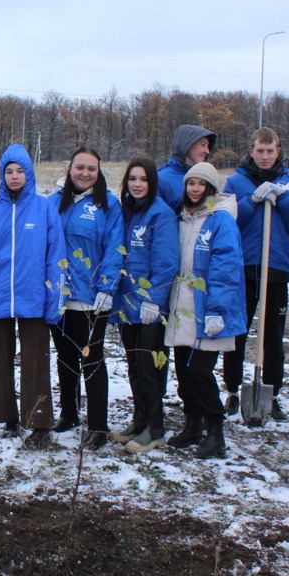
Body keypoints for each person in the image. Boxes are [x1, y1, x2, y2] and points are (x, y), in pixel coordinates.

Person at [0, 143, 66, 448]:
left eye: (19, 171)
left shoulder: (44, 208)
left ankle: (38, 422)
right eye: (8, 171)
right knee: (1, 360)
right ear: (1, 175)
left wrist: (56, 298)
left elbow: (56, 256)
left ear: (29, 173)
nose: (14, 176)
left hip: (33, 298)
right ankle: (8, 417)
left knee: (36, 362)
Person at [222, 127, 289, 421]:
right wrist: (252, 201)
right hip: (244, 268)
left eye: (269, 151)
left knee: (273, 336)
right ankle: (233, 391)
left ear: (278, 151)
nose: (264, 156)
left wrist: (282, 198)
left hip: (277, 269)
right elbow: (227, 220)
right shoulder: (236, 182)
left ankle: (272, 396)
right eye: (259, 150)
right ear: (251, 151)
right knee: (238, 331)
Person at [165, 162, 246, 459]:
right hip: (182, 304)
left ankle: (215, 431)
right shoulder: (183, 218)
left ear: (211, 188)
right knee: (184, 371)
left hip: (208, 308)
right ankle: (192, 424)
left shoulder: (220, 220)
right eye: (191, 183)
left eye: (201, 184)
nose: (195, 189)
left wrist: (217, 309)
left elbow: (226, 269)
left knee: (199, 371)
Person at [48, 147, 124, 450]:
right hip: (59, 298)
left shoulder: (108, 206)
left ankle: (98, 425)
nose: (84, 173)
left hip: (91, 299)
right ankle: (69, 413)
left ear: (98, 172)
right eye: (79, 167)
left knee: (91, 360)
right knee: (65, 357)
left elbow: (115, 248)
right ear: (70, 169)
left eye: (91, 169)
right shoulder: (54, 203)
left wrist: (106, 288)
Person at [108, 156, 179, 453]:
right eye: (133, 179)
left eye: (143, 180)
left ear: (152, 183)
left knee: (150, 368)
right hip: (127, 304)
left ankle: (156, 427)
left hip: (149, 306)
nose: (137, 185)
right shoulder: (127, 212)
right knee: (134, 366)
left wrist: (154, 300)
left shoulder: (160, 214)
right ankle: (139, 420)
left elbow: (165, 262)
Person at [158, 125, 217, 213]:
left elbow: (212, 211)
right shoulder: (160, 179)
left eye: (208, 146)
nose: (207, 151)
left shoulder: (207, 177)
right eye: (203, 145)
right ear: (187, 144)